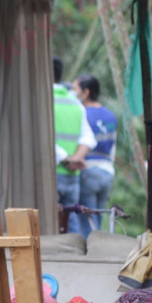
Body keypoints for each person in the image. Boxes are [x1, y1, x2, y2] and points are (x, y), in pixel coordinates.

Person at [52, 57, 96, 233]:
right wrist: (74, 160)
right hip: (72, 173)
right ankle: (76, 258)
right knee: (72, 221)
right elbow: (88, 139)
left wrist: (65, 159)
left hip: (52, 173)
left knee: (50, 223)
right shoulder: (75, 104)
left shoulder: (40, 102)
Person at [73, 74, 117, 238]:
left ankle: (91, 257)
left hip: (88, 171)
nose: (73, 93)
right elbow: (113, 148)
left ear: (86, 92)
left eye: (75, 89)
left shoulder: (81, 113)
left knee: (87, 221)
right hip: (106, 172)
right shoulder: (110, 115)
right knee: (98, 218)